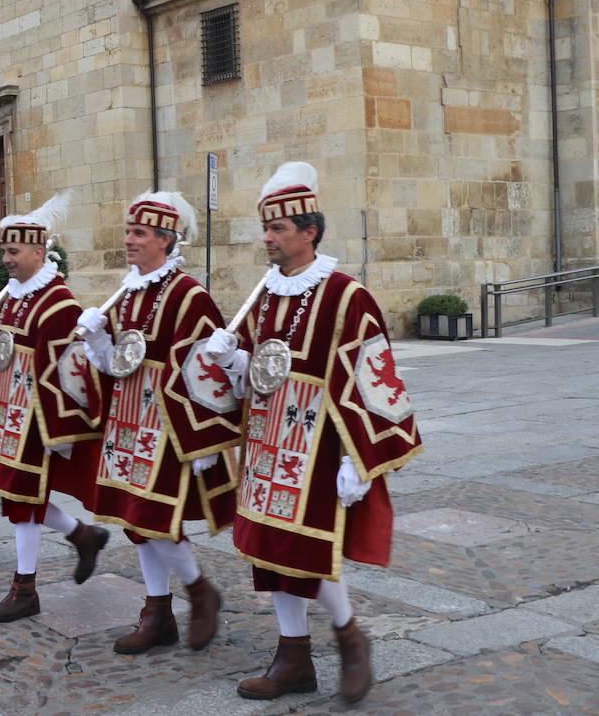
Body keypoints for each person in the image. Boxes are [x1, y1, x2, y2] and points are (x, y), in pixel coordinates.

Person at [202, 162, 423, 704]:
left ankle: (350, 638)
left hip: (317, 445)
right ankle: (293, 656)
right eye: (266, 229)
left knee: (306, 548)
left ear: (310, 232)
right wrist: (230, 362)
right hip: (265, 440)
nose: (268, 240)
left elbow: (375, 377)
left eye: (278, 230)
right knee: (266, 545)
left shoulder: (348, 297)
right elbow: (258, 373)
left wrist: (359, 458)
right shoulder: (264, 296)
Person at [77, 191, 242, 655]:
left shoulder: (189, 294)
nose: (128, 240)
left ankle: (197, 589)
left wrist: (209, 438)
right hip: (127, 418)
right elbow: (118, 364)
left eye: (139, 233)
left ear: (166, 241)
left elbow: (204, 366)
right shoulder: (127, 291)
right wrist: (99, 342)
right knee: (135, 518)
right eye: (129, 231)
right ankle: (158, 610)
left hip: (168, 426)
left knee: (153, 516)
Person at [0, 191, 109, 623]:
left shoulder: (58, 303)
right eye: (3, 250)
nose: (5, 258)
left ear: (40, 252)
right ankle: (82, 536)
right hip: (9, 413)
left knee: (22, 498)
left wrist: (58, 432)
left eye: (13, 250)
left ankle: (25, 588)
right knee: (16, 495)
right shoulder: (11, 296)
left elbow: (69, 369)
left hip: (37, 419)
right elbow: (1, 353)